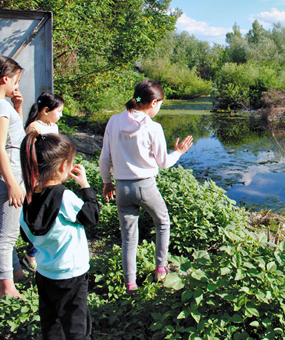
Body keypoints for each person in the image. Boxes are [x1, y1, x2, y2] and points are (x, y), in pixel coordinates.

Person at [99, 80, 193, 294]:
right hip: (145, 186)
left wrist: (106, 182)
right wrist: (178, 152)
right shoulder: (153, 127)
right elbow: (163, 163)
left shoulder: (114, 121)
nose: (159, 108)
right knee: (162, 222)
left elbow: (104, 157)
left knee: (129, 238)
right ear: (152, 103)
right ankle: (161, 268)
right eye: (160, 104)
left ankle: (130, 284)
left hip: (122, 187)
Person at [20, 132, 99, 340]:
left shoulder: (28, 198)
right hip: (72, 275)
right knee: (77, 328)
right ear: (64, 166)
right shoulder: (65, 197)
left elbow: (26, 234)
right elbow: (91, 216)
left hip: (45, 272)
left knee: (51, 324)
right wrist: (86, 187)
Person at [0, 55, 26, 298]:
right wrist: (12, 183)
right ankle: (6, 289)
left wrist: (19, 108)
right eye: (16, 80)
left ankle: (16, 273)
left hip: (4, 172)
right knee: (7, 235)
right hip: (6, 174)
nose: (17, 86)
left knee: (6, 229)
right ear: (5, 77)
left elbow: (15, 134)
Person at [21, 92, 65, 272]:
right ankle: (31, 255)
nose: (61, 115)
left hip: (53, 177)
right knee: (41, 215)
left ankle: (41, 252)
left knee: (52, 215)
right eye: (59, 111)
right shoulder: (34, 128)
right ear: (46, 110)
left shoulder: (52, 126)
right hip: (39, 178)